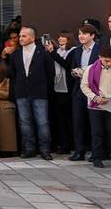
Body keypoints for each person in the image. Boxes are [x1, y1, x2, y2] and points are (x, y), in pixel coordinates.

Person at [5, 26, 54, 160]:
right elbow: (12, 74)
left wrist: (44, 89)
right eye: (20, 36)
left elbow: (51, 74)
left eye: (23, 36)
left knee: (42, 122)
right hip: (21, 93)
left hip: (39, 92)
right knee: (25, 122)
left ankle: (45, 150)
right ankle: (29, 149)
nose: (20, 39)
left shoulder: (43, 53)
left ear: (32, 38)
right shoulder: (15, 54)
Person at [60, 24, 101, 161]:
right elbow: (71, 68)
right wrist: (74, 72)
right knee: (78, 122)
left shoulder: (100, 49)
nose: (81, 36)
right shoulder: (77, 51)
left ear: (92, 36)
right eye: (79, 34)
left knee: (95, 123)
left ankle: (97, 153)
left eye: (84, 34)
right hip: (78, 90)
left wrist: (87, 73)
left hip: (95, 91)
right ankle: (79, 151)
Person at [81, 48, 111, 167]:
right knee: (97, 133)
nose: (109, 63)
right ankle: (97, 158)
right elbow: (84, 86)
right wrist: (96, 98)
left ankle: (107, 153)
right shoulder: (90, 69)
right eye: (106, 61)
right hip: (95, 105)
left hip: (110, 103)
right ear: (99, 57)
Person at [46, 31, 74, 155]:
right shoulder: (57, 51)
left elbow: (66, 64)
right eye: (60, 36)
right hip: (56, 89)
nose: (61, 38)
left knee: (69, 118)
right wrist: (52, 52)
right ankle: (61, 144)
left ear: (69, 39)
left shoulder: (73, 51)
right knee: (59, 119)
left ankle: (70, 145)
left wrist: (52, 52)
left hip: (68, 89)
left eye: (64, 37)